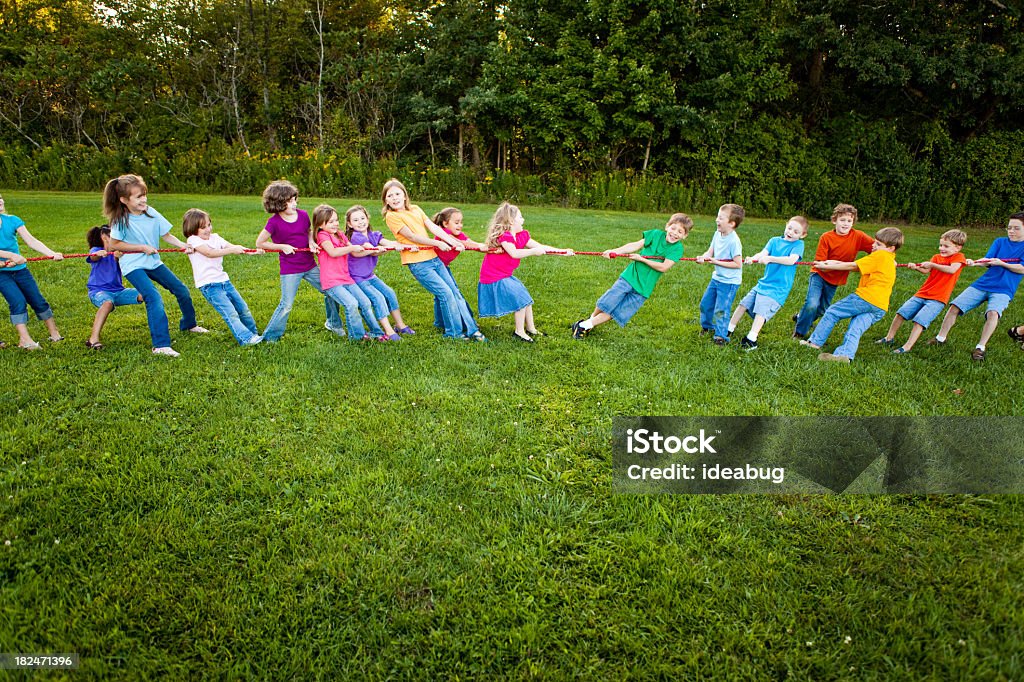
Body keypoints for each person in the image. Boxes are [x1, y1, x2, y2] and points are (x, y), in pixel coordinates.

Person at [103, 174, 207, 358]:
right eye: (138, 196)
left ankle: (189, 325)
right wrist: (141, 247)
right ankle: (160, 345)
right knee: (153, 296)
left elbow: (166, 235)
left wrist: (183, 245)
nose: (143, 199)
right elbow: (114, 245)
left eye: (144, 194)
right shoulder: (120, 220)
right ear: (124, 200)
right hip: (133, 265)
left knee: (181, 289)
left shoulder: (150, 212)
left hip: (153, 262)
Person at [381, 178, 485, 341]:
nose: (394, 198)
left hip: (434, 259)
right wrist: (438, 242)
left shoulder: (415, 209)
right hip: (418, 263)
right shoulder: (391, 216)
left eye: (397, 194)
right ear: (385, 200)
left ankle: (471, 329)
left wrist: (452, 241)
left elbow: (434, 227)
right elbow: (411, 236)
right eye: (389, 196)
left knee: (454, 292)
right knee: (445, 294)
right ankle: (453, 333)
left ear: (405, 195)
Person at [572, 213, 692, 339]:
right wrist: (615, 251)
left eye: (680, 231)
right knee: (607, 302)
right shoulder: (656, 234)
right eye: (673, 228)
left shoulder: (677, 249)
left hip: (644, 288)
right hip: (629, 278)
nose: (675, 233)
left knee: (616, 312)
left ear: (685, 235)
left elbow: (664, 267)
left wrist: (642, 259)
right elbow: (635, 245)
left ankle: (584, 325)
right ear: (667, 226)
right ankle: (587, 324)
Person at [927, 212, 1024, 361]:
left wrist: (1002, 263)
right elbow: (988, 260)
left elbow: (1022, 268)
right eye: (1009, 228)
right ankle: (940, 338)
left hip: (1004, 289)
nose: (1011, 231)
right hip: (982, 284)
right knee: (954, 307)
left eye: (1016, 228)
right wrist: (977, 262)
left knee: (993, 314)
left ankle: (980, 348)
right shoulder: (999, 242)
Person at [255, 180, 343, 342]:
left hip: (309, 265)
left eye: (295, 199)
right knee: (286, 304)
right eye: (290, 201)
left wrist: (311, 242)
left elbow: (309, 231)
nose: (295, 203)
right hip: (290, 269)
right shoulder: (274, 222)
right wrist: (282, 247)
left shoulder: (302, 215)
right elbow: (260, 243)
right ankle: (270, 337)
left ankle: (333, 323)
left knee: (331, 291)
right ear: (278, 203)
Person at [800, 227, 904, 363]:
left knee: (832, 312)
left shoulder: (880, 256)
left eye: (878, 244)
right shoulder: (889, 259)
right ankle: (845, 355)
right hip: (880, 306)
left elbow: (852, 267)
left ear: (891, 248)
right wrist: (831, 262)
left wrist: (828, 267)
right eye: (875, 242)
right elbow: (854, 264)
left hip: (866, 298)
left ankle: (814, 343)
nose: (873, 245)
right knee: (856, 326)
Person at [477, 202, 572, 342]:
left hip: (505, 275)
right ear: (510, 221)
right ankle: (519, 331)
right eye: (520, 217)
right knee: (520, 300)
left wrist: (561, 252)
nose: (523, 220)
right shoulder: (505, 237)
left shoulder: (522, 235)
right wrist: (533, 252)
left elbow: (541, 247)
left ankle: (531, 328)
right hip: (493, 277)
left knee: (526, 299)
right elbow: (514, 253)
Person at [313, 204, 396, 341]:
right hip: (332, 282)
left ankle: (377, 332)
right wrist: (352, 247)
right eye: (330, 222)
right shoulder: (323, 236)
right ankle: (357, 336)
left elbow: (355, 252)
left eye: (336, 220)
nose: (335, 224)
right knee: (351, 304)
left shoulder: (339, 234)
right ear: (320, 224)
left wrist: (374, 250)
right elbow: (333, 252)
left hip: (346, 278)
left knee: (365, 302)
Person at [876, 229, 967, 354]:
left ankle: (907, 346)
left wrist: (932, 265)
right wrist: (916, 267)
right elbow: (926, 271)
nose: (942, 248)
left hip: (938, 298)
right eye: (940, 245)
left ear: (958, 248)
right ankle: (889, 338)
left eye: (946, 246)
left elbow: (951, 270)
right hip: (922, 293)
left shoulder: (959, 257)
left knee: (920, 320)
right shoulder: (936, 257)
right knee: (901, 313)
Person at [792, 203, 874, 339]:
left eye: (849, 221)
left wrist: (886, 257)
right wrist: (842, 265)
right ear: (834, 220)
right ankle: (800, 332)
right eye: (842, 220)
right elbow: (821, 263)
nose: (846, 224)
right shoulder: (826, 237)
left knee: (822, 309)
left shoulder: (858, 236)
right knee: (812, 304)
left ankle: (802, 317)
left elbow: (876, 249)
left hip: (835, 279)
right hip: (819, 275)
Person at [183, 209, 263, 346]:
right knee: (230, 313)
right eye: (203, 227)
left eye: (209, 225)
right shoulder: (193, 240)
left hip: (224, 281)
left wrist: (251, 252)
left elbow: (232, 246)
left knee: (243, 309)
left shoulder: (216, 238)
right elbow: (209, 253)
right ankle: (246, 339)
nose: (208, 229)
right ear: (192, 228)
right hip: (209, 286)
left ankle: (253, 334)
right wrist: (232, 250)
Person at [727, 216, 808, 350]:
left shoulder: (798, 245)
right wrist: (753, 258)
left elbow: (791, 260)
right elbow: (762, 253)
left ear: (803, 235)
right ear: (786, 225)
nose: (790, 232)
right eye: (789, 228)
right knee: (744, 304)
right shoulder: (774, 241)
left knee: (761, 311)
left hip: (778, 288)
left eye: (796, 232)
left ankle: (751, 339)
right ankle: (729, 329)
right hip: (764, 283)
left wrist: (770, 258)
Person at [0, 193, 64, 350]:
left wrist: (51, 253)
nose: (0, 201)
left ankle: (54, 333)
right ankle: (25, 340)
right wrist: (10, 256)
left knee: (37, 300)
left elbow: (31, 240)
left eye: (0, 197)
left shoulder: (13, 220)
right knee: (17, 301)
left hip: (20, 270)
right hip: (2, 274)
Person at [345, 204, 416, 336]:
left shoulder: (374, 235)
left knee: (389, 293)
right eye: (355, 220)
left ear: (367, 218)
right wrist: (381, 250)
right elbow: (371, 250)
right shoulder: (355, 237)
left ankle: (400, 325)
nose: (360, 222)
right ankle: (388, 331)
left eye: (362, 218)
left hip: (370, 275)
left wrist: (403, 246)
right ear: (349, 224)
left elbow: (388, 242)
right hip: (357, 278)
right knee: (378, 298)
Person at [84, 225, 143, 350]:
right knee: (107, 303)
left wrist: (118, 256)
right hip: (99, 291)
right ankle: (93, 339)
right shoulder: (96, 249)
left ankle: (158, 331)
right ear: (104, 238)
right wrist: (100, 253)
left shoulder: (118, 253)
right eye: (111, 237)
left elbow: (121, 263)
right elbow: (93, 256)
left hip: (119, 292)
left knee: (146, 294)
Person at [697, 203, 744, 344]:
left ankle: (721, 336)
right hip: (717, 278)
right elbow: (710, 251)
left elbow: (737, 264)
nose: (717, 220)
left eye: (721, 218)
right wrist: (704, 257)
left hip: (729, 282)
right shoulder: (718, 233)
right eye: (718, 217)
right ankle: (707, 327)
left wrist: (716, 262)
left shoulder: (734, 241)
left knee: (721, 309)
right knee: (705, 304)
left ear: (731, 223)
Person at [432, 206, 483, 332]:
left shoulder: (459, 234)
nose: (460, 225)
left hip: (444, 267)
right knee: (452, 294)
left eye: (461, 222)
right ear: (445, 223)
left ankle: (440, 322)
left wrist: (488, 247)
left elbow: (471, 242)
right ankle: (464, 323)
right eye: (456, 222)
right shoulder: (443, 234)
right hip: (435, 267)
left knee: (441, 295)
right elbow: (463, 243)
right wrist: (478, 246)